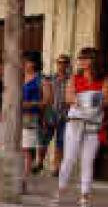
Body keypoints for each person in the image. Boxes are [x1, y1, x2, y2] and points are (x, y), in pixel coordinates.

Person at [55, 47, 108, 207]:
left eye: (85, 58)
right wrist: (92, 99)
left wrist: (82, 100)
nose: (82, 61)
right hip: (75, 122)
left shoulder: (104, 79)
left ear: (94, 60)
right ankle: (60, 191)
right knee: (69, 159)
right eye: (81, 58)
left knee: (88, 161)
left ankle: (84, 198)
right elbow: (68, 97)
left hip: (93, 125)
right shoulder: (75, 77)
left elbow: (106, 99)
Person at [42, 54, 71, 174]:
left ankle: (56, 167)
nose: (61, 65)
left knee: (61, 142)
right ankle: (39, 162)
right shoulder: (50, 79)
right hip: (51, 113)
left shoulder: (71, 80)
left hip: (65, 115)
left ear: (68, 65)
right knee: (44, 139)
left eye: (64, 63)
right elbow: (46, 97)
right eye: (59, 62)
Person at [20, 51, 45, 187]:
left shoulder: (40, 79)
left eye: (27, 61)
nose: (24, 64)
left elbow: (46, 101)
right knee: (17, 147)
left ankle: (24, 180)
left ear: (34, 63)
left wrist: (31, 104)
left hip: (30, 116)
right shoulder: (20, 76)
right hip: (16, 116)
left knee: (26, 149)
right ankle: (16, 177)